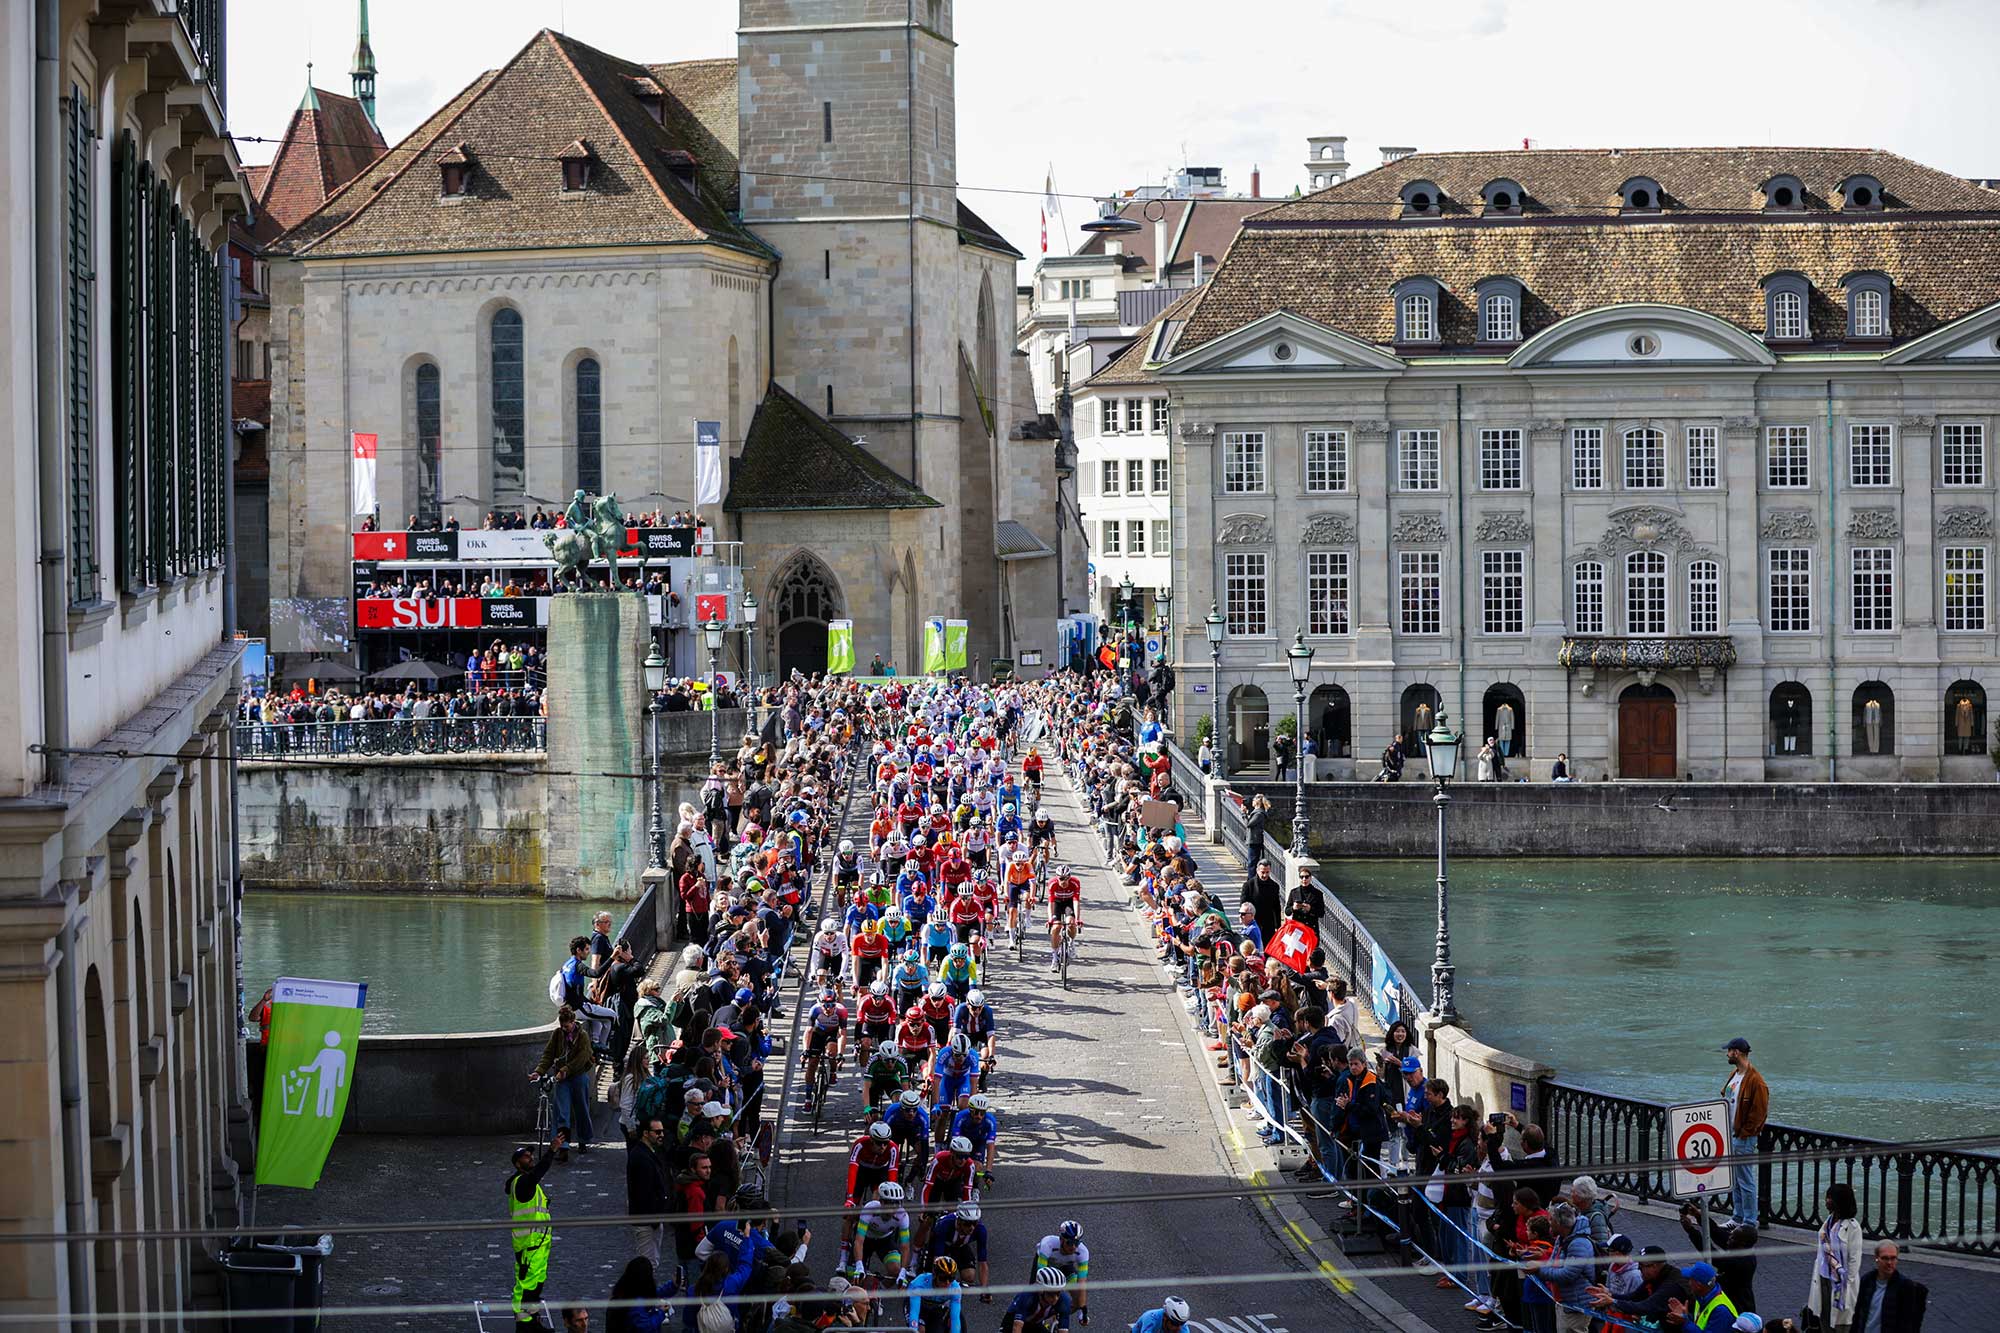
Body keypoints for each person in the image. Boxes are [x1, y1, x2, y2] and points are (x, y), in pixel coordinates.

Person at [507, 1133, 566, 1329]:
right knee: (525, 1289)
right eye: (525, 1156)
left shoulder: (525, 1183)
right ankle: (524, 1326)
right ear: (517, 1164)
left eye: (530, 1155)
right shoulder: (523, 1183)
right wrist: (551, 1151)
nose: (530, 1157)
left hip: (538, 1246)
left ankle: (532, 1320)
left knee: (536, 1286)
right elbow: (539, 1172)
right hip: (529, 1247)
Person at [530, 1007, 596, 1159]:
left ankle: (583, 1139)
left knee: (582, 1109)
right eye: (562, 1026)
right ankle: (563, 1146)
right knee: (562, 1112)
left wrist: (565, 1070)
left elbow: (582, 1058)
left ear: (573, 1022)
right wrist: (539, 1071)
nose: (564, 1029)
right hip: (562, 1079)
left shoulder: (583, 1036)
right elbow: (548, 1054)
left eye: (566, 1026)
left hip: (578, 1076)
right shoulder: (557, 1034)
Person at [1721, 1036, 1769, 1226]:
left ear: (1737, 1052)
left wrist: (1745, 1133)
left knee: (1746, 1180)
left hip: (1743, 1137)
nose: (1727, 1054)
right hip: (1732, 1135)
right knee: (1736, 1179)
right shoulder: (1735, 1075)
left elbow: (1760, 1112)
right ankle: (1738, 1217)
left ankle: (1749, 1221)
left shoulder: (1755, 1081)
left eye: (1729, 1051)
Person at [1807, 1183, 1864, 1329]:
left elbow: (1854, 1261)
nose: (1826, 1201)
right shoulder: (1828, 1222)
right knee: (1824, 1319)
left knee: (1840, 1324)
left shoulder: (1853, 1228)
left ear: (1840, 1202)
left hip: (1840, 1284)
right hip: (1823, 1278)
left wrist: (1846, 1284)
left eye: (1830, 1198)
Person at [1852, 1241, 1927, 1333]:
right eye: (1885, 1258)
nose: (1889, 1262)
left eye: (1893, 1258)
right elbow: (1858, 1314)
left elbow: (1909, 1323)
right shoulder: (1866, 1280)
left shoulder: (1905, 1286)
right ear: (1876, 1258)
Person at [626, 1118, 672, 1265]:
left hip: (650, 1218)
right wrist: (655, 1218)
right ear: (646, 1133)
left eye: (662, 1131)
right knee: (648, 1263)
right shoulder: (641, 1157)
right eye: (657, 1132)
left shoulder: (647, 1152)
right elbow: (643, 1193)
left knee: (651, 1262)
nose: (662, 1135)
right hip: (647, 1219)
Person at [1001, 1267, 1073, 1333]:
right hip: (1012, 1321)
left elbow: (1063, 1331)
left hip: (1035, 1324)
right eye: (1051, 1294)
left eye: (1058, 1293)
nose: (1056, 1298)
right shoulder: (1027, 1295)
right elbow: (1017, 1327)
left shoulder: (1064, 1300)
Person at [1240, 859, 1282, 947]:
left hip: (1268, 922)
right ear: (1257, 870)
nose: (1265, 875)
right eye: (1262, 872)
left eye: (1267, 872)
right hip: (1253, 921)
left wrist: (1278, 925)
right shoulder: (1248, 885)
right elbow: (1243, 904)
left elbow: (1276, 907)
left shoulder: (1274, 886)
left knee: (1268, 948)